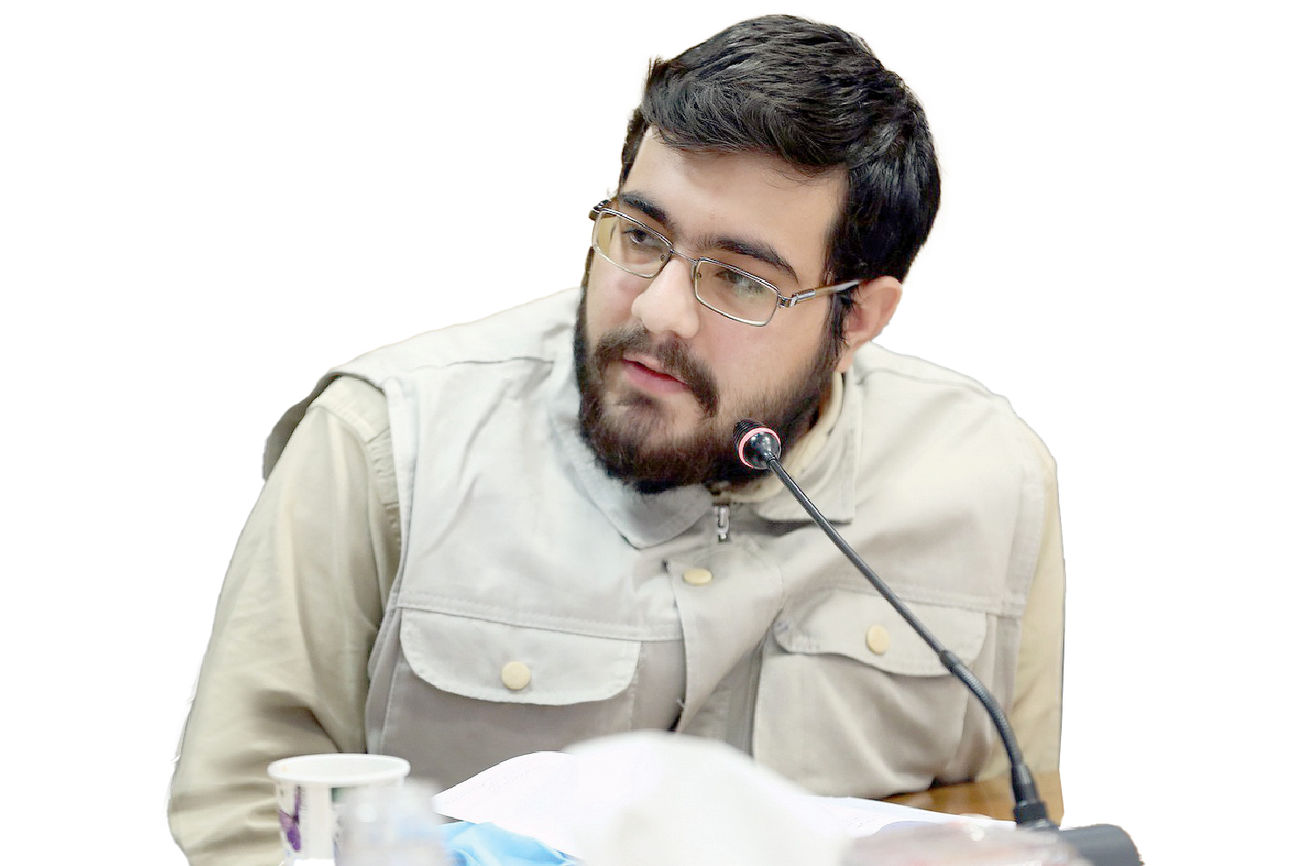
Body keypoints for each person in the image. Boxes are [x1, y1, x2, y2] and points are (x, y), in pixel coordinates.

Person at [169, 14, 1064, 865]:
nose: (659, 310)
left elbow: (1008, 823)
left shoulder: (991, 485)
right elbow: (245, 813)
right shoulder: (382, 440)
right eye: (640, 236)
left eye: (740, 281)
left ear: (857, 316)